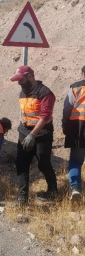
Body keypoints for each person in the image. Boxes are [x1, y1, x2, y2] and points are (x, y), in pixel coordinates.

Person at [10, 65, 58, 205]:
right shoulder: (22, 93)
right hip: (24, 132)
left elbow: (44, 116)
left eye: (21, 80)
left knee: (43, 164)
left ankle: (53, 191)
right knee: (21, 164)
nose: (19, 83)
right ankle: (22, 198)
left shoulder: (45, 93)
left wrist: (32, 135)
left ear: (30, 76)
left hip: (42, 134)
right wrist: (25, 132)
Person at [62, 65, 85, 202]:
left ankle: (75, 187)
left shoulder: (75, 88)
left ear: (82, 73)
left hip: (78, 128)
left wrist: (65, 125)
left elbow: (67, 108)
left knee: (76, 160)